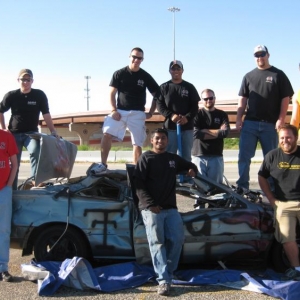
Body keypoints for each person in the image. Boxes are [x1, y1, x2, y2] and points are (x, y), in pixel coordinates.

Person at [134, 128, 197, 296]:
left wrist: (192, 169)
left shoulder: (172, 159)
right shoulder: (145, 158)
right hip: (152, 209)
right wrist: (150, 204)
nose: (160, 141)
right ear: (151, 141)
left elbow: (189, 164)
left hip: (170, 209)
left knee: (177, 240)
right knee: (157, 244)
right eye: (157, 138)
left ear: (167, 141)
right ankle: (163, 281)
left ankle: (168, 272)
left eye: (163, 138)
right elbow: (138, 184)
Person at [90, 47, 159, 175]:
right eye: (134, 57)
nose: (136, 60)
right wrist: (113, 110)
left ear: (142, 60)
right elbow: (112, 93)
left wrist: (151, 112)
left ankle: (136, 170)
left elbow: (157, 94)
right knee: (106, 133)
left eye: (139, 58)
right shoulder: (119, 73)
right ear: (129, 56)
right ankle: (103, 164)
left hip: (137, 113)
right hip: (120, 112)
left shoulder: (145, 76)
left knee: (137, 142)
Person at [236, 45, 294, 190]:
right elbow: (242, 99)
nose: (259, 57)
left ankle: (273, 188)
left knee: (272, 159)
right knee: (244, 157)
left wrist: (281, 118)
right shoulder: (248, 76)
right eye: (257, 55)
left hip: (270, 125)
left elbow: (285, 98)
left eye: (262, 54)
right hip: (250, 123)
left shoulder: (278, 74)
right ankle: (242, 187)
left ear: (268, 55)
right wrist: (238, 118)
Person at [0, 69, 58, 189]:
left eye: (28, 80)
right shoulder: (12, 95)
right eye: (23, 79)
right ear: (18, 80)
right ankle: (12, 189)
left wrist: (53, 131)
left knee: (36, 150)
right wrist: (4, 128)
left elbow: (46, 114)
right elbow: (0, 111)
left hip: (31, 134)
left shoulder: (39, 95)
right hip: (14, 135)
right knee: (14, 163)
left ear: (32, 81)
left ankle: (33, 181)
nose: (25, 82)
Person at [258, 124, 300, 280]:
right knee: (286, 237)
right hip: (283, 204)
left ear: (295, 137)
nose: (285, 140)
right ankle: (297, 269)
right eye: (282, 138)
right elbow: (262, 176)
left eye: (288, 137)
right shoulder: (272, 156)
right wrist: (271, 199)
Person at [156, 60, 200, 161]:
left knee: (186, 156)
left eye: (178, 68)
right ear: (169, 71)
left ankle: (185, 176)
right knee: (169, 155)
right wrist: (171, 115)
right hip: (170, 128)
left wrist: (187, 118)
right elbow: (160, 106)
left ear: (182, 70)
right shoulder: (163, 87)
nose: (176, 71)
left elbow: (195, 107)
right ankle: (171, 176)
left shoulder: (189, 87)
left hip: (187, 128)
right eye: (173, 68)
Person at [191, 89, 230, 183]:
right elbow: (196, 134)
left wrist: (205, 131)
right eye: (205, 99)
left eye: (211, 98)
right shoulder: (196, 114)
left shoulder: (222, 114)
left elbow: (225, 133)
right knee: (200, 187)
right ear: (202, 100)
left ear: (214, 98)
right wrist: (218, 132)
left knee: (216, 189)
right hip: (199, 155)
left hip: (216, 156)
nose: (209, 100)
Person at [0, 129, 18, 282]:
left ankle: (3, 268)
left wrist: (9, 186)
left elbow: (14, 163)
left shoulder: (6, 136)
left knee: (4, 230)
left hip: (3, 190)